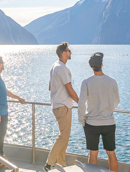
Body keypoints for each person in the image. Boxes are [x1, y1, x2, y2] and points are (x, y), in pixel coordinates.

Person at [78, 52, 119, 172]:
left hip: (91, 123)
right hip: (109, 122)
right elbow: (117, 101)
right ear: (102, 64)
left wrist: (82, 120)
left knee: (93, 153)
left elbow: (81, 104)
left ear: (90, 66)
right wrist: (107, 109)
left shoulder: (86, 82)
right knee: (111, 153)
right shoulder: (112, 81)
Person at [45, 42, 79, 172]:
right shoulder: (63, 68)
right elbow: (70, 89)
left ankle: (62, 165)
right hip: (63, 106)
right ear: (64, 53)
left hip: (56, 105)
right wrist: (80, 102)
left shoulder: (54, 66)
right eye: (69, 51)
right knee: (64, 136)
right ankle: (49, 163)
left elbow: (50, 87)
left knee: (63, 136)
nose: (70, 52)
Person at [0, 56, 25, 166]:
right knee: (0, 134)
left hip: (3, 111)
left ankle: (0, 157)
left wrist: (18, 98)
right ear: (0, 65)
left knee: (2, 133)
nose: (4, 65)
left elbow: (6, 92)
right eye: (3, 64)